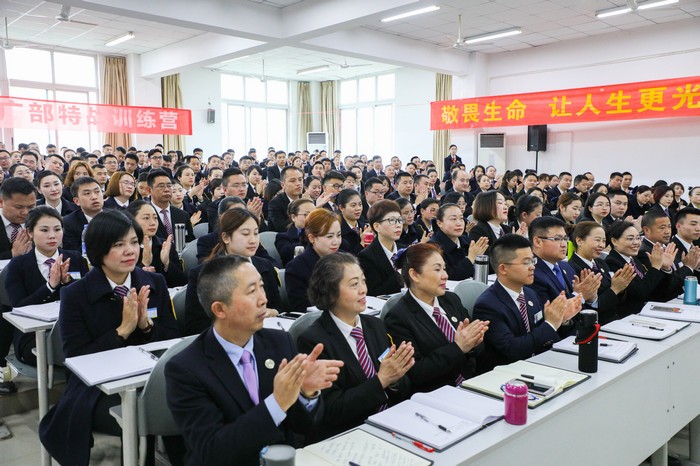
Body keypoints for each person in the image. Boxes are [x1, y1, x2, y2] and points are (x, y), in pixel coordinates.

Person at [165, 255, 343, 466]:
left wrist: (306, 393)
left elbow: (303, 427)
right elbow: (213, 451)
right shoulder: (185, 369)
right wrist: (278, 402)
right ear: (220, 309)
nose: (263, 299)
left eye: (261, 286)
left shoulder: (279, 342)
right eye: (251, 291)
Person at [39, 210, 178, 466]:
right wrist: (121, 331)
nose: (130, 251)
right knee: (139, 412)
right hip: (98, 389)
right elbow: (76, 357)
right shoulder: (76, 294)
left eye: (134, 242)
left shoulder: (154, 281)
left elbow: (172, 339)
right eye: (118, 245)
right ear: (99, 250)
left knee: (189, 399)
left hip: (151, 379)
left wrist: (147, 327)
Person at [297, 253, 413, 441]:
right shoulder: (313, 340)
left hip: (389, 423)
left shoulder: (374, 325)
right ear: (330, 291)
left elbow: (403, 386)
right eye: (353, 284)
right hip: (349, 434)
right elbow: (332, 410)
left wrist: (395, 379)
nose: (363, 290)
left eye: (363, 281)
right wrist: (381, 380)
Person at [384, 243, 488, 392]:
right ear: (414, 275)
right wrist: (458, 347)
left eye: (444, 268)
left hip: (470, 384)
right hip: (435, 393)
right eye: (437, 269)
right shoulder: (398, 318)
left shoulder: (451, 300)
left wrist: (473, 343)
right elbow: (417, 372)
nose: (445, 275)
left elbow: (477, 351)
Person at [473, 234, 582, 373]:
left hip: (538, 364)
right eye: (526, 263)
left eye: (532, 261)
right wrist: (550, 324)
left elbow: (544, 336)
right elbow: (512, 350)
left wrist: (563, 320)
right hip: (506, 375)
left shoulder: (530, 294)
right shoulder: (488, 305)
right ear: (503, 269)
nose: (532, 267)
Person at [5, 207, 88, 365]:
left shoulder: (76, 258)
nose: (52, 235)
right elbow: (18, 306)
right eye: (44, 230)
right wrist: (50, 286)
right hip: (33, 336)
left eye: (57, 229)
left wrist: (67, 283)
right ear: (30, 232)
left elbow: (86, 298)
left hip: (73, 329)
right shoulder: (18, 265)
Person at [186, 208, 281, 336]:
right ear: (226, 237)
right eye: (245, 234)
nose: (253, 240)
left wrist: (273, 311)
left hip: (265, 336)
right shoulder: (203, 274)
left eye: (256, 233)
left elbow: (278, 305)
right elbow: (196, 325)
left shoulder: (264, 265)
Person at [568, 221, 636, 325]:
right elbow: (591, 309)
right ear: (579, 241)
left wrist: (621, 288)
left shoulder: (601, 262)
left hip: (615, 320)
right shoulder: (573, 268)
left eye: (604, 241)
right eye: (597, 240)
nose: (602, 245)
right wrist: (615, 289)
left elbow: (616, 298)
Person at [605, 220, 676, 317]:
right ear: (614, 241)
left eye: (638, 238)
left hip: (647, 311)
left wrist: (665, 268)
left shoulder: (634, 259)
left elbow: (656, 290)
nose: (636, 243)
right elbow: (640, 293)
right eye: (630, 239)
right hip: (629, 316)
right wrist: (655, 267)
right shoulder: (612, 263)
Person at [528, 216, 601, 307]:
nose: (563, 244)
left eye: (565, 239)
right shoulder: (531, 273)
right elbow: (549, 315)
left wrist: (591, 298)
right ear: (537, 242)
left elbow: (583, 308)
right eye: (557, 239)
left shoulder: (566, 266)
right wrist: (580, 296)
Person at [286, 208, 342, 312]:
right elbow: (301, 307)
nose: (336, 242)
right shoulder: (296, 267)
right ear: (312, 238)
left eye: (338, 235)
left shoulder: (344, 259)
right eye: (329, 236)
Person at [127, 200, 187, 288]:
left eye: (155, 218)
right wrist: (144, 264)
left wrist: (167, 264)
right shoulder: (125, 248)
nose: (153, 223)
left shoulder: (165, 246)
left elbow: (182, 283)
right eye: (146, 218)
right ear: (131, 220)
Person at [429, 203, 488, 280]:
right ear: (439, 223)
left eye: (461, 218)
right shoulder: (433, 247)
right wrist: (470, 259)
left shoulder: (466, 241)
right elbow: (448, 276)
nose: (459, 223)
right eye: (453, 219)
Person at [357, 200, 403, 296]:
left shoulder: (404, 250)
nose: (398, 225)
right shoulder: (366, 257)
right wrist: (400, 273)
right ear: (377, 226)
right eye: (392, 220)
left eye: (400, 220)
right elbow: (374, 292)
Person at [148, 170, 195, 243]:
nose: (166, 189)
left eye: (169, 186)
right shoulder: (143, 214)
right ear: (149, 190)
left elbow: (190, 241)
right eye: (161, 186)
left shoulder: (183, 215)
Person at [62, 176, 105, 252]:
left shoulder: (116, 218)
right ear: (76, 201)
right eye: (87, 193)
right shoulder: (68, 223)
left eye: (97, 192)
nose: (94, 197)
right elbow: (72, 253)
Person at [275, 198, 314, 266]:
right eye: (307, 215)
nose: (312, 218)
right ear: (293, 217)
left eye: (314, 214)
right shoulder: (283, 237)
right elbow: (287, 254)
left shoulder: (322, 233)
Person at [268, 166, 304, 232]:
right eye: (293, 181)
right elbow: (281, 227)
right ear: (283, 185)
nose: (298, 183)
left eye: (300, 179)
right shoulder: (275, 203)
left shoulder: (305, 198)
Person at [337, 188, 367, 255]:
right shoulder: (338, 230)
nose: (358, 208)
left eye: (360, 204)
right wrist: (362, 243)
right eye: (353, 205)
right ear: (341, 208)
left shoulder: (364, 226)